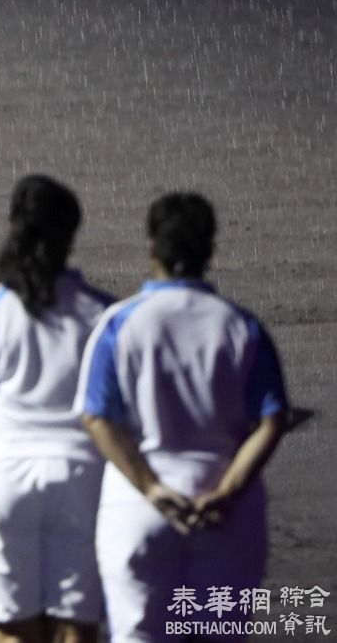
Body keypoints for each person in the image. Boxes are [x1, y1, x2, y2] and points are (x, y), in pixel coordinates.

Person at [76, 192, 289, 643]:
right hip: (227, 513)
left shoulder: (119, 324)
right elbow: (272, 420)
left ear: (152, 246)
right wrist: (226, 491)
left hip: (139, 508)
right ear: (210, 249)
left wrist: (151, 487)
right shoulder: (241, 326)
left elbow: (97, 418)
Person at [0, 175, 115, 643]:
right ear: (70, 235)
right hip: (84, 480)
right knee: (78, 627)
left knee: (16, 629)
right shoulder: (105, 315)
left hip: (0, 479)